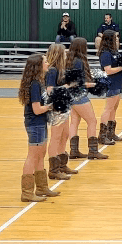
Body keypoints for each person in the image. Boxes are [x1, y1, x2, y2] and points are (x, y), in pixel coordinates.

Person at [18, 53, 57, 202]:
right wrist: (52, 106)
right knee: (33, 156)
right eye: (45, 62)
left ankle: (41, 188)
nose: (48, 64)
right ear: (38, 66)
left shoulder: (39, 82)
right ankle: (27, 192)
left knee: (40, 155)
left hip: (41, 122)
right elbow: (36, 109)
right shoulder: (34, 84)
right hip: (35, 123)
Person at [67, 37, 107, 161]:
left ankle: (74, 151)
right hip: (79, 95)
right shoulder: (79, 62)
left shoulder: (70, 60)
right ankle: (93, 151)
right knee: (92, 121)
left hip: (71, 95)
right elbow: (77, 82)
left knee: (74, 121)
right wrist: (94, 84)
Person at [44, 43, 76, 181]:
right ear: (58, 54)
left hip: (64, 105)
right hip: (56, 107)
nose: (66, 55)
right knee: (56, 137)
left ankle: (62, 164)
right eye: (64, 53)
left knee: (65, 135)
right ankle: (54, 169)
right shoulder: (52, 70)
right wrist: (68, 85)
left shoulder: (60, 69)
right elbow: (50, 90)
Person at [98, 30, 122, 145]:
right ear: (110, 39)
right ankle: (102, 135)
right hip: (112, 83)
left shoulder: (114, 52)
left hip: (119, 82)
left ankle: (111, 133)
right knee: (108, 108)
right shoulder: (105, 53)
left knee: (114, 108)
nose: (117, 39)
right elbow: (108, 70)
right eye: (115, 37)